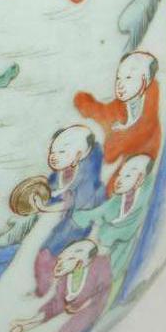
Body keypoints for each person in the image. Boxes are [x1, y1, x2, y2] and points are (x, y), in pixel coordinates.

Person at [12, 238, 112, 332]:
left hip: (91, 315)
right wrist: (26, 324)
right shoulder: (64, 281)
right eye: (60, 259)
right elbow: (54, 307)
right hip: (76, 320)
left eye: (66, 260)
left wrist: (85, 306)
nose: (59, 265)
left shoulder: (100, 268)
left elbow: (105, 292)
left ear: (78, 264)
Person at [33, 124, 104, 295]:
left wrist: (50, 208)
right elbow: (51, 190)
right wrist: (43, 199)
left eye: (61, 152)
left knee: (46, 254)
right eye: (53, 152)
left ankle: (47, 290)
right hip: (62, 219)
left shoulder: (86, 181)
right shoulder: (61, 172)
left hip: (76, 225)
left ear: (78, 156)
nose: (53, 157)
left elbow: (80, 212)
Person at [74, 154, 153, 284]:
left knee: (107, 271)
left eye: (128, 176)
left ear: (140, 180)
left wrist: (108, 234)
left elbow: (130, 226)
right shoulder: (118, 199)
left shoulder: (145, 197)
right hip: (105, 246)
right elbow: (102, 210)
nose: (119, 180)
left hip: (121, 248)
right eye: (120, 175)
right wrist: (82, 216)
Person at [74, 50, 162, 169]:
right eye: (118, 78)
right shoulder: (121, 105)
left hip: (142, 160)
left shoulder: (151, 99)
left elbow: (145, 129)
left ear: (144, 82)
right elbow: (104, 112)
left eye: (128, 78)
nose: (120, 85)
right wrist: (85, 104)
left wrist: (118, 142)